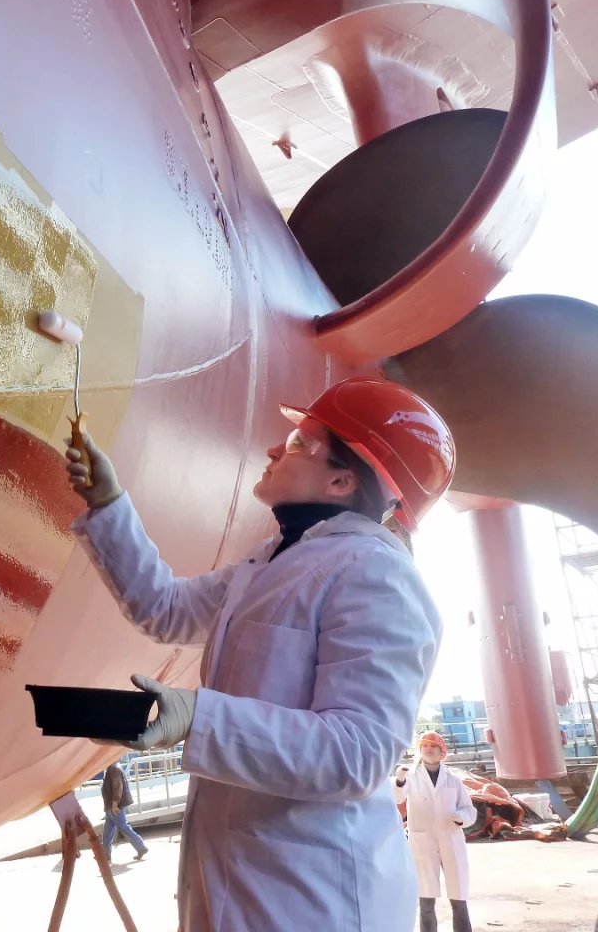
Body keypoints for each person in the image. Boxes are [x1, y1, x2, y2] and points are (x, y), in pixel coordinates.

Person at [64, 376, 455, 932]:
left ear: (343, 479)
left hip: (317, 901)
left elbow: (358, 752)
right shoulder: (268, 563)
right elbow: (164, 608)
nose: (275, 448)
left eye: (299, 444)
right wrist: (107, 503)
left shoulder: (377, 574)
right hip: (237, 879)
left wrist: (201, 718)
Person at [394, 731, 478, 932]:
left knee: (459, 898)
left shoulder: (453, 779)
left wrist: (462, 817)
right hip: (423, 841)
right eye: (425, 745)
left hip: (451, 839)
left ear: (442, 752)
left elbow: (470, 809)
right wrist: (399, 781)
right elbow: (398, 798)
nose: (429, 749)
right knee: (426, 899)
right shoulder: (410, 776)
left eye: (434, 746)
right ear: (419, 750)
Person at [101, 759, 148, 862]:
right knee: (108, 831)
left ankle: (141, 847)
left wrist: (114, 803)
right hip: (111, 805)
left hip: (114, 805)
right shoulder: (113, 768)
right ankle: (105, 855)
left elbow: (118, 786)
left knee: (123, 827)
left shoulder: (113, 769)